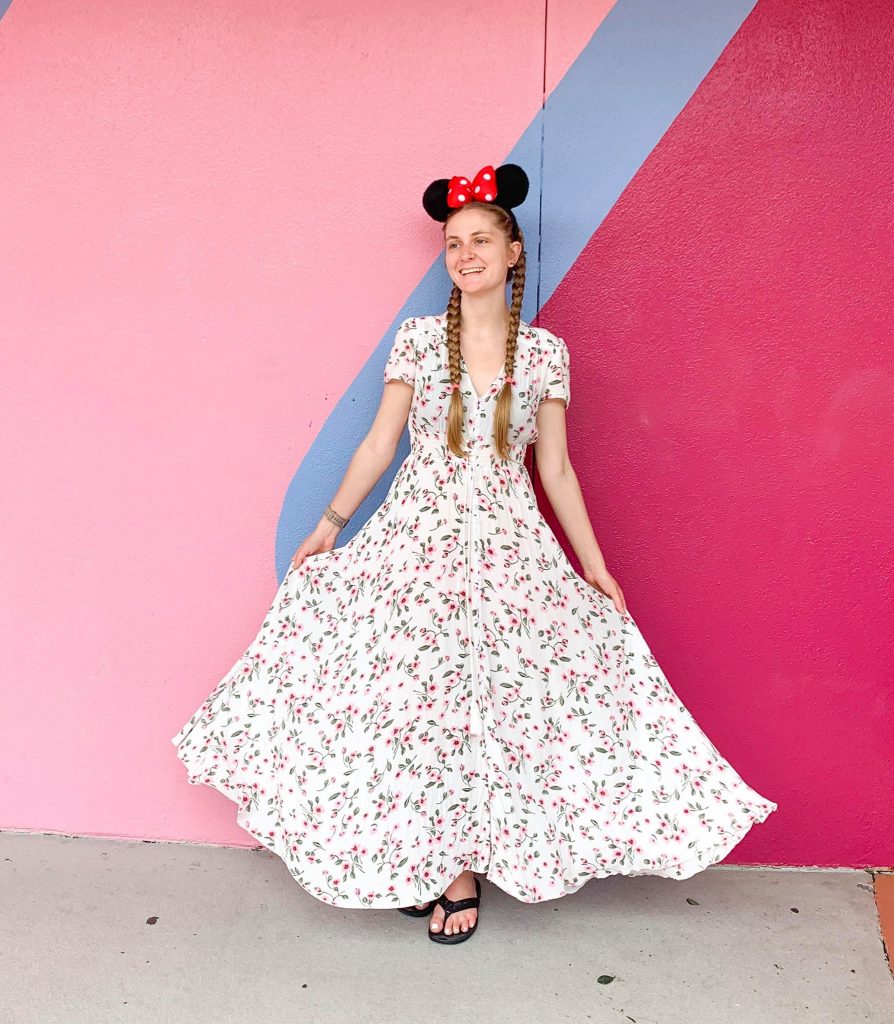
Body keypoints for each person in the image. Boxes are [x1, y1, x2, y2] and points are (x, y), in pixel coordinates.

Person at [171, 162, 777, 946]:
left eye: (480, 239)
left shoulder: (547, 354)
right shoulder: (420, 342)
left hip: (508, 553)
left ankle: (481, 854)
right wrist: (329, 521)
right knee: (415, 701)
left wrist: (594, 566)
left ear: (513, 251)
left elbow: (554, 468)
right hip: (416, 545)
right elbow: (380, 443)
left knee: (498, 704)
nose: (465, 253)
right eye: (454, 243)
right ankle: (442, 865)